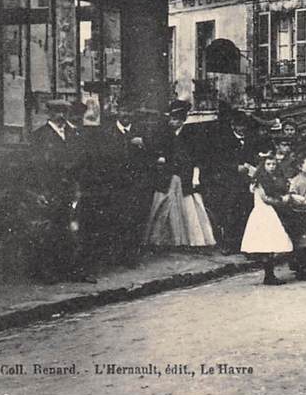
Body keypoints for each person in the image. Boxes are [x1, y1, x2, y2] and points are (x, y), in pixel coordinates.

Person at [28, 99, 96, 283]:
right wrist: (39, 192)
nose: (61, 116)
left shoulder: (73, 134)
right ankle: (48, 272)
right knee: (50, 231)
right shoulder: (40, 136)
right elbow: (35, 167)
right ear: (49, 114)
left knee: (74, 230)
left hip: (71, 189)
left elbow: (82, 160)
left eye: (64, 112)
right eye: (57, 112)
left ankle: (74, 270)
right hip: (51, 189)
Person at [84, 103, 152, 268]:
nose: (126, 114)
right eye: (123, 111)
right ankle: (113, 257)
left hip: (136, 185)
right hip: (115, 185)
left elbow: (151, 157)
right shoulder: (107, 133)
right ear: (117, 112)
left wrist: (143, 145)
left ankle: (131, 258)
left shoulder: (141, 132)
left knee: (134, 221)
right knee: (114, 220)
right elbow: (101, 159)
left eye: (129, 111)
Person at [142, 99, 216, 248]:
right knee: (164, 205)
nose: (172, 122)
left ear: (183, 120)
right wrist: (161, 157)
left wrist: (195, 175)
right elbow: (158, 149)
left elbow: (195, 157)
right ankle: (160, 240)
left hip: (185, 174)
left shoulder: (191, 135)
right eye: (171, 119)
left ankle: (192, 240)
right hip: (168, 174)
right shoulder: (165, 134)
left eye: (176, 119)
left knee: (188, 207)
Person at [206, 109, 265, 254]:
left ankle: (244, 244)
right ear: (233, 126)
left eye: (244, 126)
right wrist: (235, 167)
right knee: (230, 212)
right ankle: (229, 244)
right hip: (229, 182)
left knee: (246, 211)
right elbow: (217, 161)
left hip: (246, 181)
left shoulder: (251, 140)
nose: (242, 128)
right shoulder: (224, 141)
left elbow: (253, 157)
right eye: (239, 126)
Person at [243, 154, 293, 285]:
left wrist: (286, 195)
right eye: (268, 164)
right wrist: (281, 200)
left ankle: (270, 274)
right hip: (263, 212)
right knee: (266, 244)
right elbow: (265, 198)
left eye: (273, 164)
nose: (271, 167)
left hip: (272, 212)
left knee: (272, 244)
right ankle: (268, 275)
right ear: (263, 166)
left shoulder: (275, 179)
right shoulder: (259, 180)